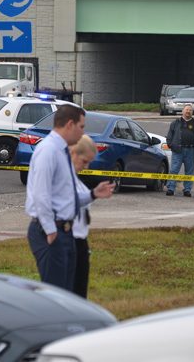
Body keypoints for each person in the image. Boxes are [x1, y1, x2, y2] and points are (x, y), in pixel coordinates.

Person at [25, 105, 114, 292]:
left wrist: (92, 194)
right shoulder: (48, 150)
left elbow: (65, 197)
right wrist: (50, 230)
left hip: (65, 231)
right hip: (51, 231)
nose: (83, 132)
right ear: (70, 124)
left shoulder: (62, 151)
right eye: (82, 127)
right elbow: (41, 194)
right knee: (56, 295)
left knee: (68, 294)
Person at [71, 134, 108, 298]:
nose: (85, 167)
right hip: (70, 239)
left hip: (79, 239)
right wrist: (92, 194)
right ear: (73, 153)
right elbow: (68, 201)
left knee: (80, 292)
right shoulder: (64, 178)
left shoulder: (75, 179)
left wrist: (94, 193)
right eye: (84, 161)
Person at [165, 104, 194, 197]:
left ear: (192, 112)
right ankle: (170, 188)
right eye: (186, 110)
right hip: (178, 151)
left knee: (189, 172)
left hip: (191, 151)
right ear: (183, 111)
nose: (188, 111)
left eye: (190, 110)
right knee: (174, 170)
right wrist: (171, 145)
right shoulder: (175, 123)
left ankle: (187, 190)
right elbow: (169, 136)